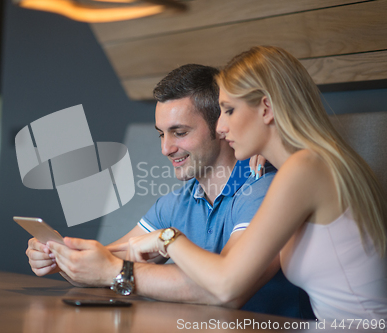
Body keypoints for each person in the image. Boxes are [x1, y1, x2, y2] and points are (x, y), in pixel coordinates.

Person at [111, 46, 387, 321]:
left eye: (228, 110)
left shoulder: (304, 169)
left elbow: (226, 285)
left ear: (266, 108)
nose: (220, 127)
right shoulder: (308, 166)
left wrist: (166, 238)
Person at [27, 64, 312, 318]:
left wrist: (112, 271)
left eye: (180, 132)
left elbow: (225, 290)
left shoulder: (262, 186)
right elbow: (110, 259)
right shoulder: (178, 200)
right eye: (161, 134)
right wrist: (63, 257)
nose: (166, 148)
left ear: (222, 126)